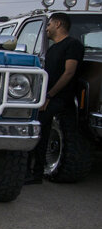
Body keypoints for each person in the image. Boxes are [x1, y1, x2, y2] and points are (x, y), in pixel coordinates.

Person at [27, 12, 84, 184]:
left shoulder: (72, 45)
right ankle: (33, 172)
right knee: (39, 133)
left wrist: (50, 95)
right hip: (48, 97)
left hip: (60, 98)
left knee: (42, 134)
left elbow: (69, 73)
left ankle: (35, 174)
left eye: (49, 24)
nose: (47, 29)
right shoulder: (53, 48)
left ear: (58, 24)